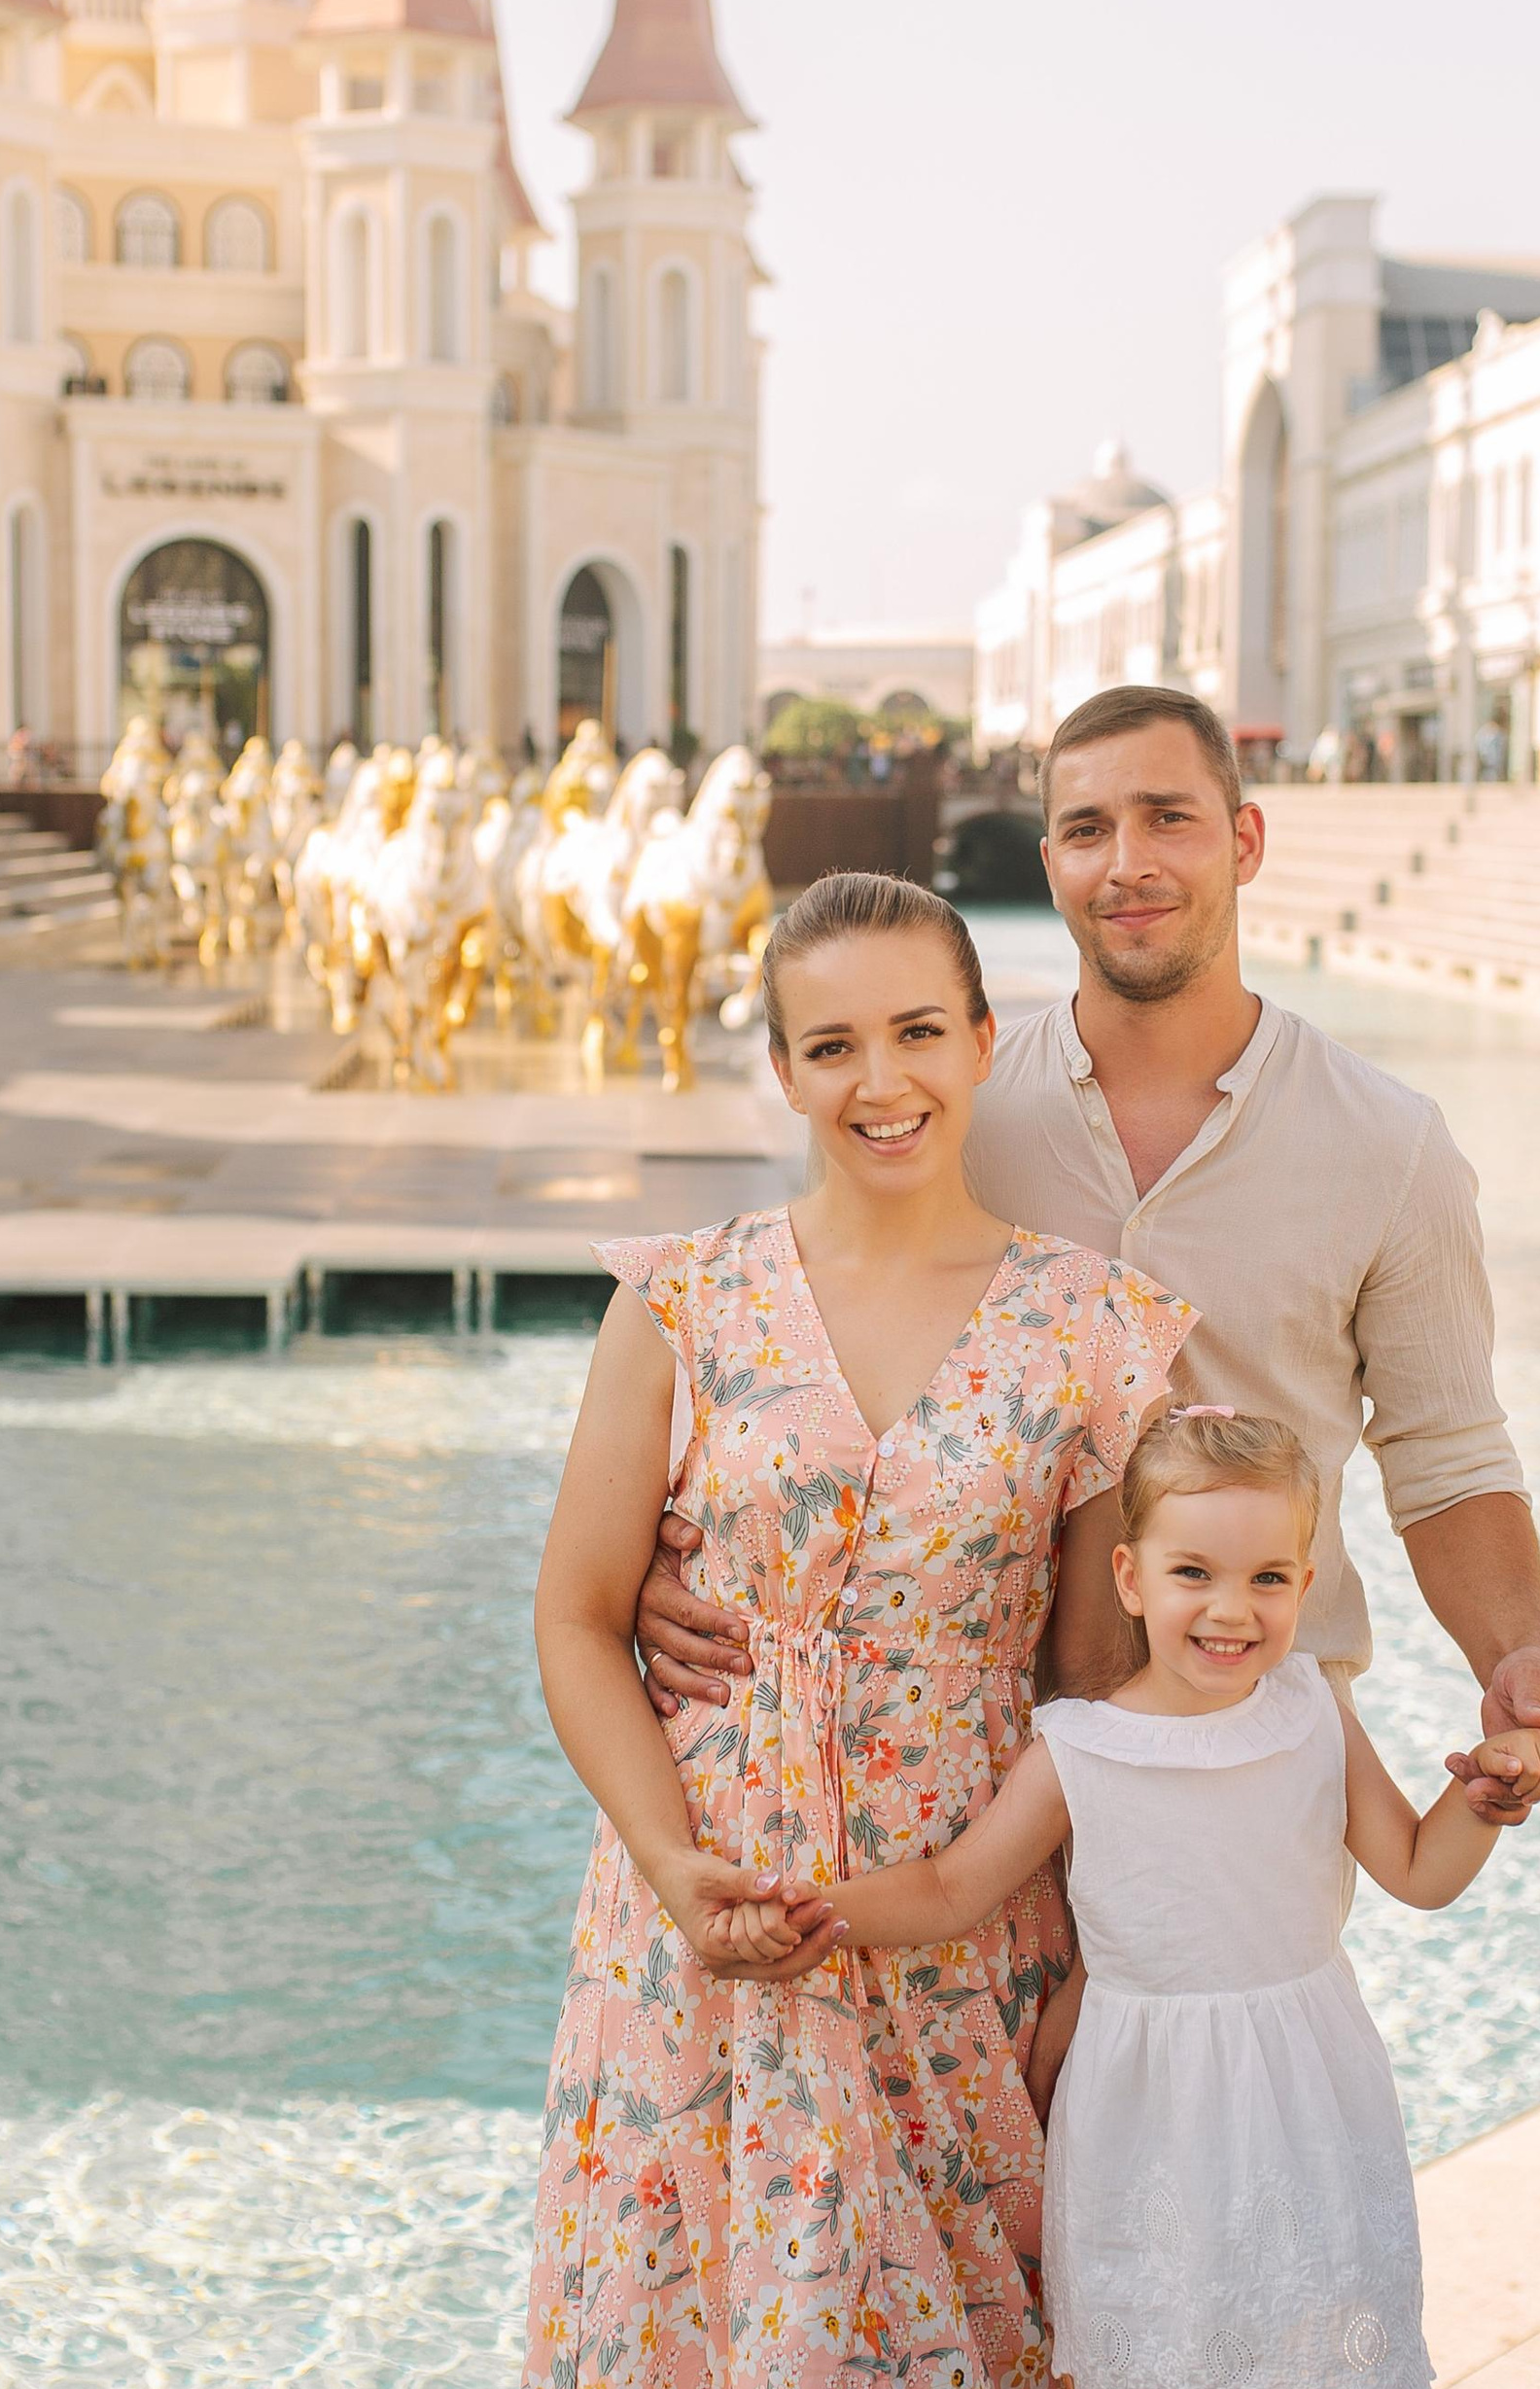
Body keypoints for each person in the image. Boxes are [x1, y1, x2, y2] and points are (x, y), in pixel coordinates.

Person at [638, 685, 1540, 2080]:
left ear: (1246, 841)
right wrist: (693, 1558)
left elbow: (1447, 1454)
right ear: (1049, 866)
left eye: (1169, 819)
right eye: (1087, 827)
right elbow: (809, 1346)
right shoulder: (945, 1101)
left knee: (1194, 2175)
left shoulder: (1391, 1147)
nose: (1127, 861)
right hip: (965, 1760)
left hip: (1237, 1768)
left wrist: (1516, 1653)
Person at [528, 870, 1195, 2389]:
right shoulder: (680, 1305)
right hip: (698, 1917)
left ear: (980, 1040)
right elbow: (574, 1620)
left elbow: (1099, 1680)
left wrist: (1107, 1958)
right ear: (781, 1071)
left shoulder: (1096, 1329)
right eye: (831, 1048)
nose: (878, 1083)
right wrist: (673, 1868)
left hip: (965, 1924)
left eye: (915, 1033)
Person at [757, 1407, 1540, 2389]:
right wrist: (809, 1912)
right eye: (1194, 1572)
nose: (1232, 1609)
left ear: (1303, 1584)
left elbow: (1418, 1869)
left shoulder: (1312, 1712)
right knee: (1166, 2339)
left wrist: (1484, 1792)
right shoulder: (1081, 1747)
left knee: (1315, 2322)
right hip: (1150, 2110)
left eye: (1266, 1578)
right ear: (1130, 1577)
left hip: (1308, 2090)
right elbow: (948, 1887)